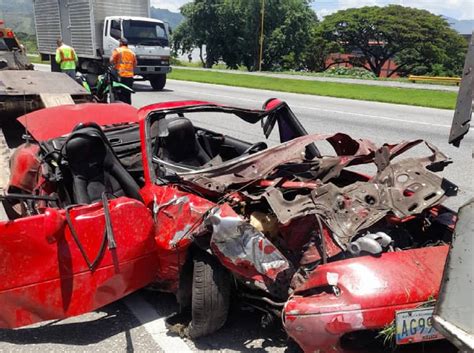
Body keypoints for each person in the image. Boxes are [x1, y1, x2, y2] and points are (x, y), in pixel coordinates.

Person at [110, 38, 137, 104]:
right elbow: (135, 64)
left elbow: (111, 60)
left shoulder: (118, 50)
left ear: (121, 43)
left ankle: (120, 108)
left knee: (119, 94)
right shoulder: (132, 52)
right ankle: (128, 107)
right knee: (127, 94)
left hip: (120, 75)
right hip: (130, 76)